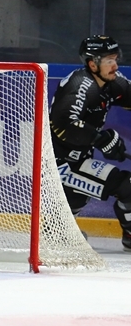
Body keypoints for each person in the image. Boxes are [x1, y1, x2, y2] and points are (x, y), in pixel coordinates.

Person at [49, 35, 131, 250]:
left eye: (115, 58)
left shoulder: (109, 81)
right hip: (60, 164)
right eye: (109, 60)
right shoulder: (81, 84)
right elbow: (64, 124)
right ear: (92, 63)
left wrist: (100, 141)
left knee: (79, 198)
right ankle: (56, 228)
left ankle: (58, 227)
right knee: (127, 186)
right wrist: (100, 139)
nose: (115, 65)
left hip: (77, 159)